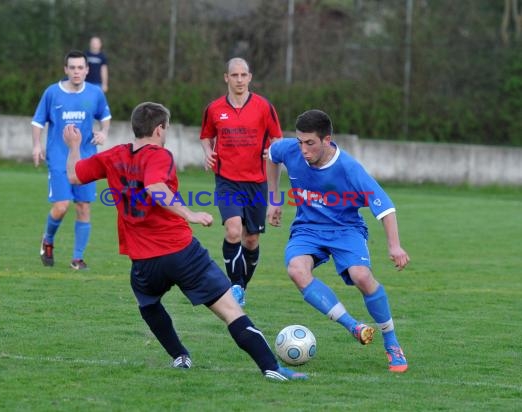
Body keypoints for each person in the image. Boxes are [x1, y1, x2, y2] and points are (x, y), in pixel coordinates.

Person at [61, 101, 307, 381]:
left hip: (143, 261)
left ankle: (179, 355)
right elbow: (155, 187)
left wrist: (73, 146)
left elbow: (73, 174)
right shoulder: (159, 155)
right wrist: (188, 213)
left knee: (149, 305)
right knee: (230, 311)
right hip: (181, 253)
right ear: (159, 129)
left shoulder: (114, 156)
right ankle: (271, 367)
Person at [266, 109, 410, 373]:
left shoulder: (349, 169)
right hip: (308, 228)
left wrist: (394, 246)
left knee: (361, 276)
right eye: (300, 142)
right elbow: (272, 155)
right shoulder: (291, 151)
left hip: (346, 229)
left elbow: (385, 207)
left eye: (310, 143)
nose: (303, 149)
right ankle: (353, 326)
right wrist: (273, 199)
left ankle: (392, 343)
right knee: (296, 270)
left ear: (327, 140)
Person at [200, 57, 283, 306]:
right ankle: (234, 285)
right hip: (227, 181)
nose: (239, 80)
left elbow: (277, 138)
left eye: (243, 75)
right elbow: (206, 136)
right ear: (226, 77)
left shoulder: (263, 107)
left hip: (257, 182)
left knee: (251, 240)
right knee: (234, 230)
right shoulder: (214, 108)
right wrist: (207, 152)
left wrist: (273, 151)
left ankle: (241, 287)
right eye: (234, 75)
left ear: (249, 77)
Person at [32, 50, 111, 270]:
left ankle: (77, 258)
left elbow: (105, 118)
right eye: (72, 68)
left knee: (84, 207)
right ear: (66, 70)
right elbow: (38, 122)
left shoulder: (95, 93)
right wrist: (37, 145)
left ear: (87, 70)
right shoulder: (52, 93)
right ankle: (48, 238)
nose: (76, 72)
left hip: (86, 159)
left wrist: (103, 133)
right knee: (62, 206)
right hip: (59, 158)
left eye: (80, 68)